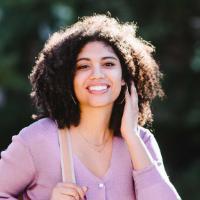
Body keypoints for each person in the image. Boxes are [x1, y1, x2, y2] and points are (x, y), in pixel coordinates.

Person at [0, 14, 181, 200]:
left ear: (125, 77)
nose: (97, 74)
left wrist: (132, 136)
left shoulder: (141, 142)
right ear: (67, 78)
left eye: (108, 64)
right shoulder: (38, 139)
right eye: (83, 66)